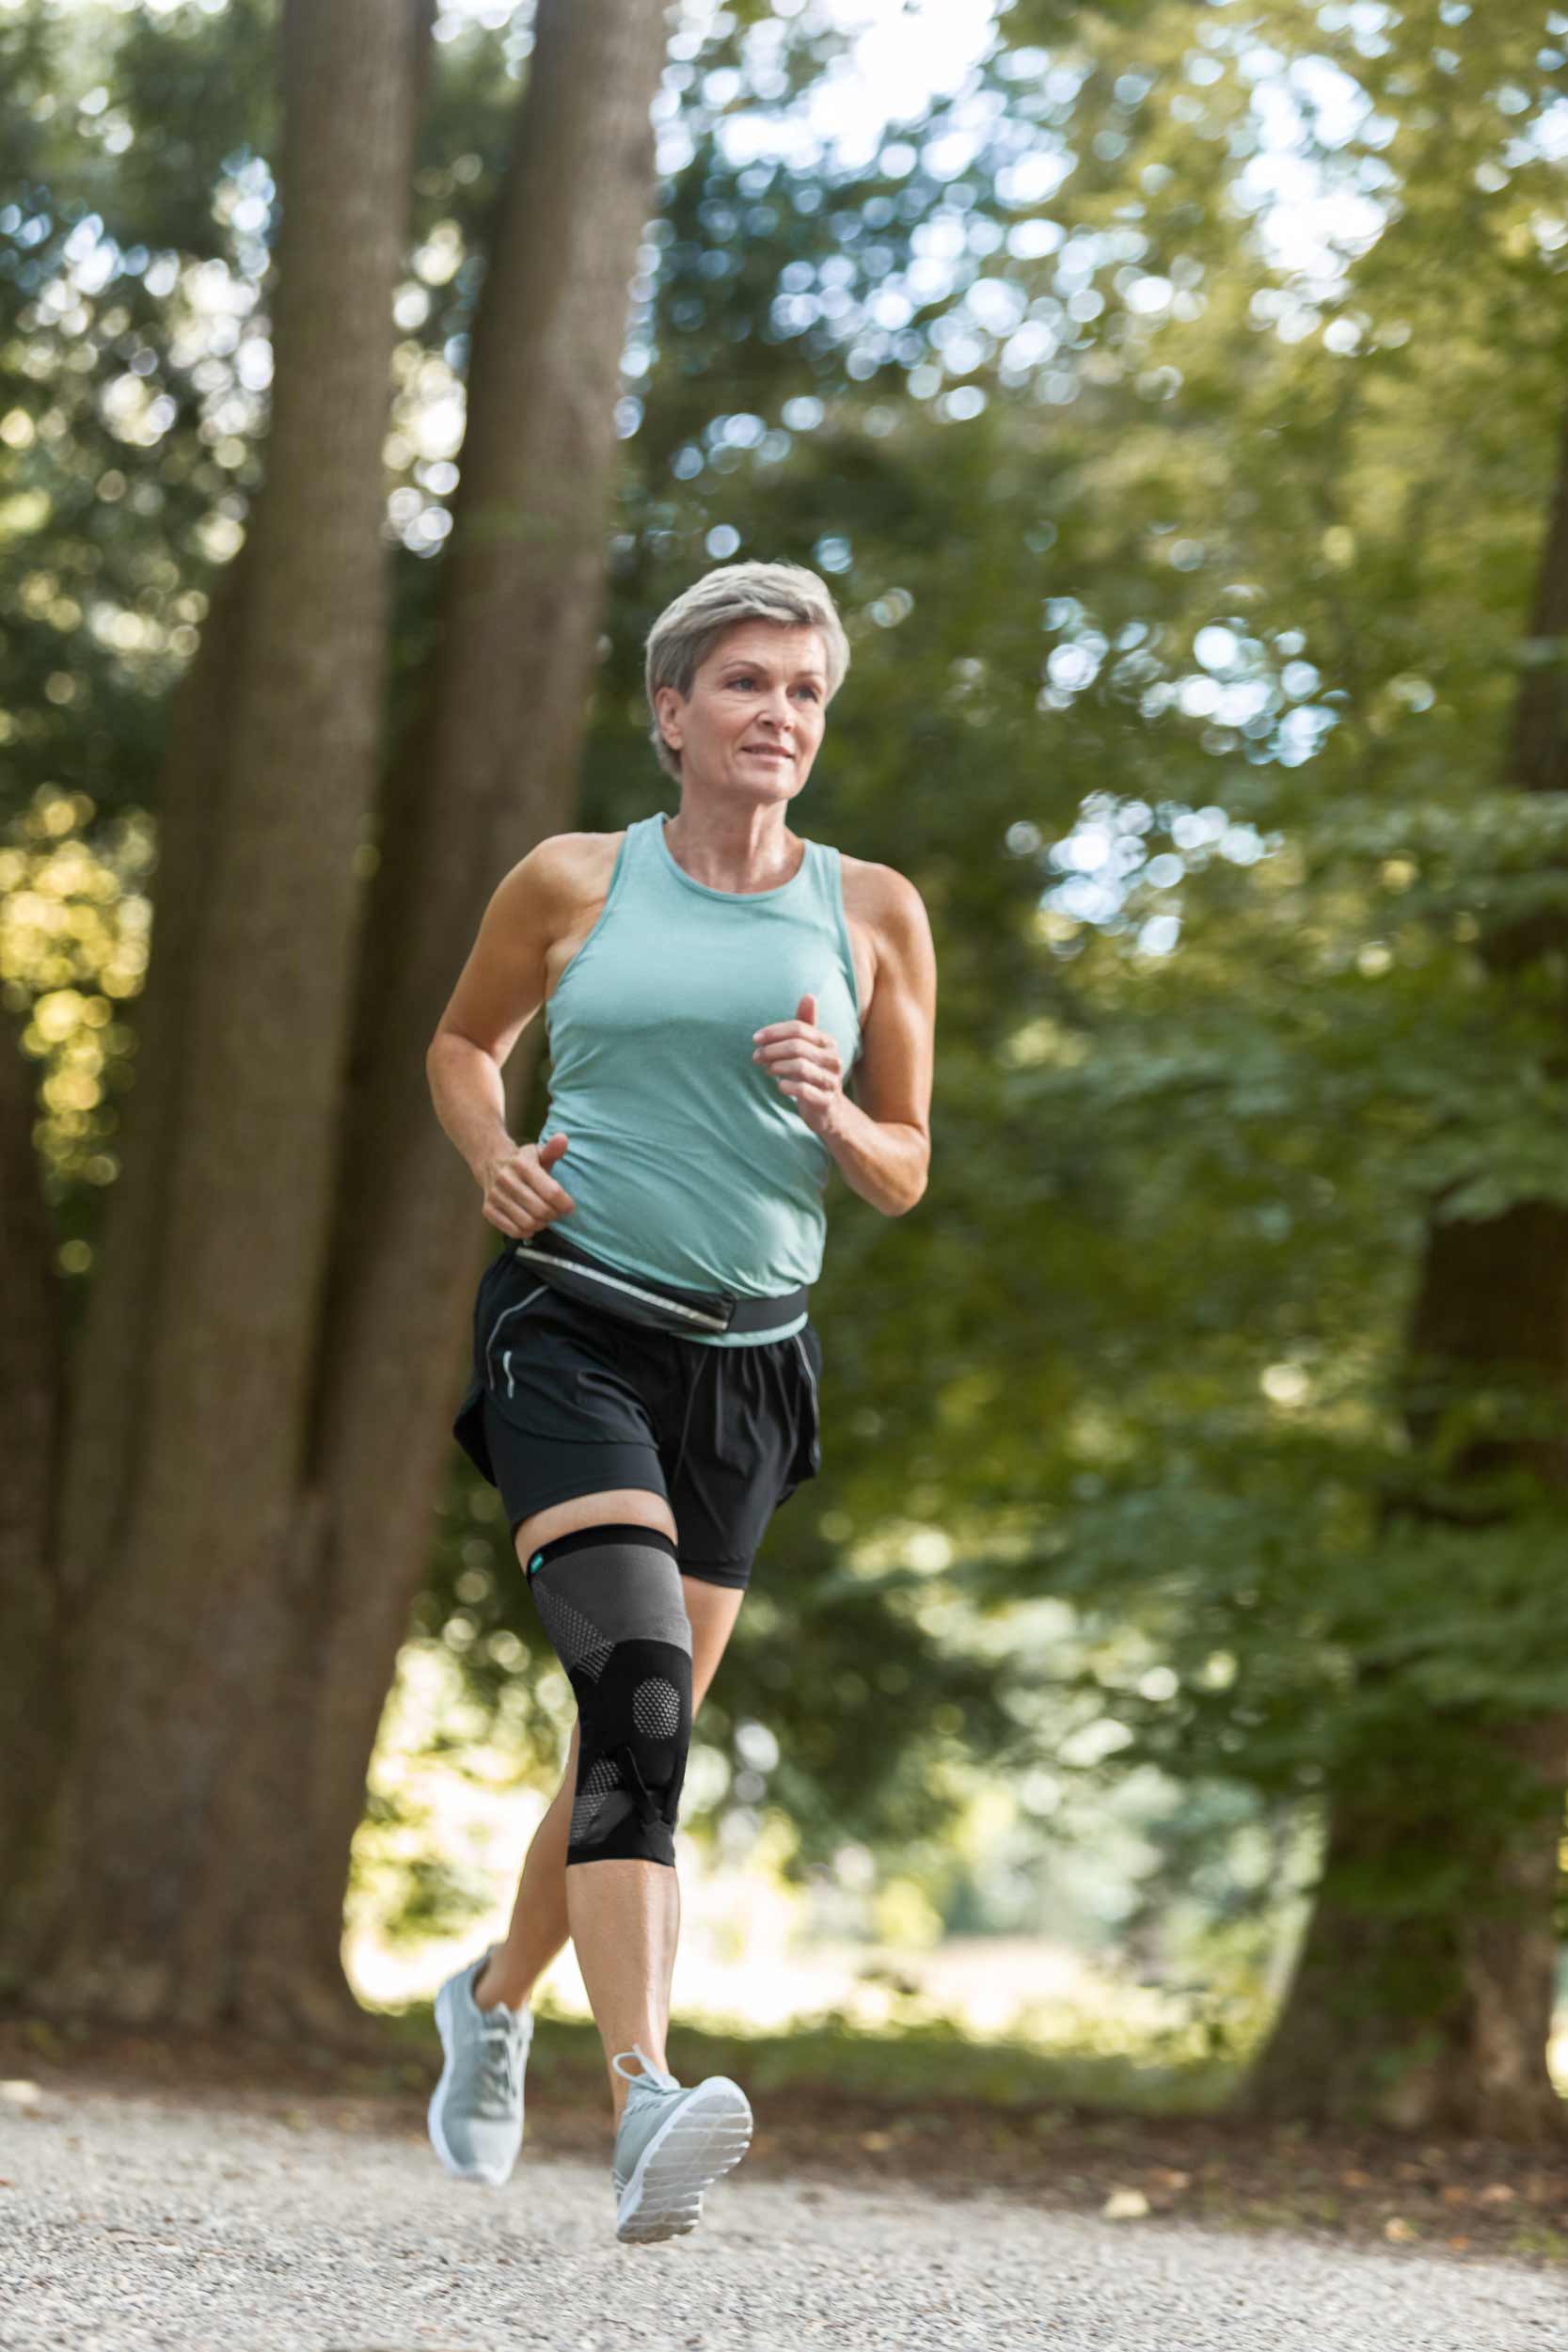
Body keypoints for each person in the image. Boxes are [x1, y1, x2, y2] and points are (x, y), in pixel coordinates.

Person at [423, 558, 936, 2244]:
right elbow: (460, 1046)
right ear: (671, 712)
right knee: (640, 1689)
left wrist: (834, 1110)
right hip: (572, 1325)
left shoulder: (871, 911)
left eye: (802, 690)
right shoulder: (576, 881)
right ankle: (644, 2095)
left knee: (629, 1734)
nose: (778, 712)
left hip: (749, 1366)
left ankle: (491, 2006)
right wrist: (497, 1161)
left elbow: (905, 1169)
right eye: (745, 683)